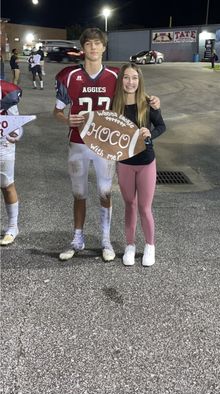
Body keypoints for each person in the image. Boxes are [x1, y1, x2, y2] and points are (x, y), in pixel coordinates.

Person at [53, 27, 160, 262]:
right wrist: (65, 119)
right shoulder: (68, 75)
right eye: (88, 43)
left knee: (104, 192)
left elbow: (134, 90)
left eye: (97, 43)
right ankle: (77, 238)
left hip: (105, 144)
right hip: (77, 142)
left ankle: (105, 240)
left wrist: (152, 100)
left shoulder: (114, 75)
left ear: (104, 47)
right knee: (79, 193)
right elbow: (57, 111)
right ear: (83, 48)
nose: (93, 47)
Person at [112, 63, 166, 267]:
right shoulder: (114, 104)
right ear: (121, 80)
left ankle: (150, 246)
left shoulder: (148, 102)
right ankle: (130, 245)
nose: (130, 82)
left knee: (144, 207)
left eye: (134, 77)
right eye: (126, 77)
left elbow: (161, 125)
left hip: (146, 162)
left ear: (139, 80)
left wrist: (151, 133)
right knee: (130, 205)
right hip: (124, 163)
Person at [0, 79, 23, 245]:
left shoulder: (6, 90)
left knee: (7, 185)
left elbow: (16, 120)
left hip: (2, 144)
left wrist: (16, 133)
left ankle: (13, 226)